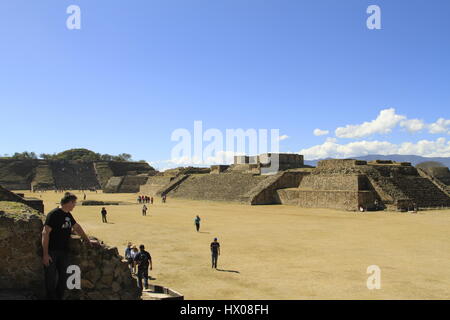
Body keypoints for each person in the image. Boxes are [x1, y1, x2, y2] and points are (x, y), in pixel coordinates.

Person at [41, 192, 95, 300]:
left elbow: (77, 227)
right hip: (52, 252)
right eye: (74, 203)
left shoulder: (68, 214)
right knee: (50, 279)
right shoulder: (54, 214)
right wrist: (45, 254)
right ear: (69, 203)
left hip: (64, 252)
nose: (74, 205)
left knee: (63, 278)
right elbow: (45, 233)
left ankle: (59, 297)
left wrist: (87, 240)